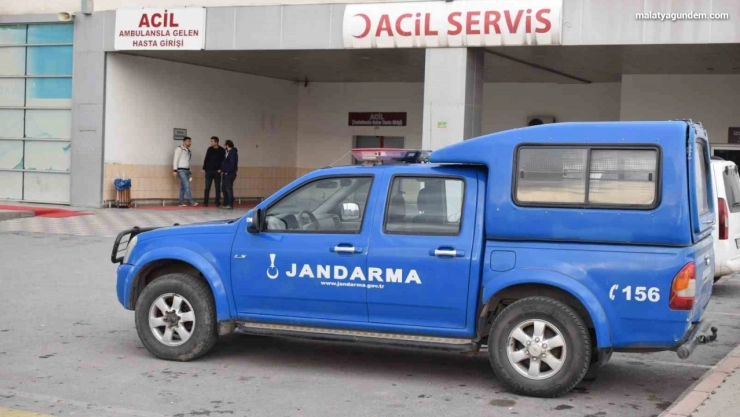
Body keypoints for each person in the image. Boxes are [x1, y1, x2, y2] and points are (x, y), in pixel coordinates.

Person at [172, 137, 198, 207]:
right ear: (184, 141)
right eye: (188, 141)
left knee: (183, 187)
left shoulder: (188, 150)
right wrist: (175, 170)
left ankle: (180, 202)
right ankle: (191, 201)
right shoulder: (179, 149)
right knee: (187, 185)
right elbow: (175, 159)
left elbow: (188, 161)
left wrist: (190, 170)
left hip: (187, 170)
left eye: (190, 141)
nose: (190, 143)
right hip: (181, 170)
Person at [202, 136, 226, 207]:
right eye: (211, 141)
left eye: (212, 141)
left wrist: (221, 169)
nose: (211, 142)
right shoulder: (209, 149)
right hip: (209, 171)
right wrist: (204, 168)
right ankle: (205, 202)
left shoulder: (222, 150)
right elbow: (206, 159)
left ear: (216, 142)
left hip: (217, 171)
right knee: (207, 187)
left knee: (217, 188)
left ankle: (217, 202)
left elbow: (224, 161)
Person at [220, 140, 238, 210]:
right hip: (225, 173)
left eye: (225, 145)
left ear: (227, 145)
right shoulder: (228, 152)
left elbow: (232, 164)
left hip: (230, 174)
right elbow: (225, 163)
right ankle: (226, 203)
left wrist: (227, 171)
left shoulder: (233, 153)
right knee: (224, 188)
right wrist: (223, 170)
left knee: (228, 189)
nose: (224, 146)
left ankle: (230, 204)